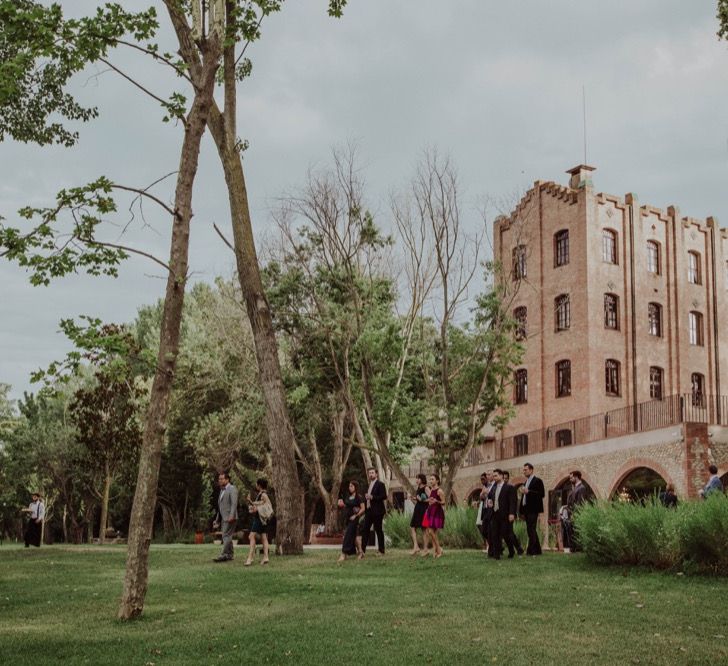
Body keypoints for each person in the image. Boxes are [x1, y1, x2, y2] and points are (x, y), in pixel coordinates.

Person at [487, 469, 518, 560]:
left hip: (505, 515)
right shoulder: (493, 488)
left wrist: (512, 513)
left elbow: (513, 502)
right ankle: (496, 555)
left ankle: (511, 550)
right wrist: (490, 502)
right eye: (493, 476)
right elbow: (490, 498)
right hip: (495, 514)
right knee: (495, 534)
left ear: (501, 476)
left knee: (506, 534)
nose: (494, 477)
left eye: (496, 475)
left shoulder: (509, 487)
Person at [359, 467, 387, 558]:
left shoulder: (380, 484)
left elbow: (384, 496)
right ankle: (362, 550)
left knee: (378, 530)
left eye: (372, 473)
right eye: (369, 473)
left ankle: (381, 550)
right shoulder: (369, 484)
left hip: (378, 511)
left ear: (376, 474)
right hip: (369, 511)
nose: (370, 474)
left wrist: (372, 497)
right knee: (365, 530)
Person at [519, 463, 545, 556]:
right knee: (530, 529)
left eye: (525, 469)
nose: (524, 471)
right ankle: (538, 550)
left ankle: (531, 550)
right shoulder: (525, 482)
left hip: (534, 509)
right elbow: (524, 497)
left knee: (531, 529)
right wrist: (521, 510)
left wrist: (529, 491)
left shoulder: (538, 481)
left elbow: (542, 494)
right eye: (524, 470)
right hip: (526, 509)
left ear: (531, 470)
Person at [246, 478, 272, 566]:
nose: (256, 486)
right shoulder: (263, 494)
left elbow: (264, 506)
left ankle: (250, 558)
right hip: (263, 520)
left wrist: (255, 508)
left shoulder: (263, 494)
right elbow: (259, 504)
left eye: (257, 484)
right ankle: (265, 557)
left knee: (251, 536)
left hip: (259, 519)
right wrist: (250, 501)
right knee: (264, 537)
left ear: (259, 485)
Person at [213, 471, 238, 562]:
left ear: (227, 479)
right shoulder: (222, 490)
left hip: (230, 517)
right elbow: (221, 507)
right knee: (226, 535)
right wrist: (217, 519)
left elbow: (234, 504)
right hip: (223, 518)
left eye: (222, 479)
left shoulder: (232, 488)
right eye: (219, 479)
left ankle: (223, 554)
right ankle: (230, 555)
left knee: (226, 536)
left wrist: (231, 516)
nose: (219, 480)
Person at [338, 481, 365, 562]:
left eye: (351, 486)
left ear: (355, 487)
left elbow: (363, 508)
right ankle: (361, 552)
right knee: (354, 537)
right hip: (347, 519)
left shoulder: (359, 497)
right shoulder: (348, 497)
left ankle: (343, 553)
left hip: (354, 519)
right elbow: (347, 507)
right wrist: (342, 505)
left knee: (347, 535)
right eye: (349, 486)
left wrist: (356, 516)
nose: (350, 487)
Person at [423, 474, 445, 558]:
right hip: (430, 511)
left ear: (437, 481)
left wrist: (437, 501)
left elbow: (443, 502)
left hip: (437, 512)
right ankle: (437, 550)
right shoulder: (431, 490)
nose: (430, 481)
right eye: (430, 479)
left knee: (431, 532)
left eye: (432, 479)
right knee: (432, 532)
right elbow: (430, 500)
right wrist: (424, 500)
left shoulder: (440, 491)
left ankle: (438, 550)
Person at [502, 471, 524, 557]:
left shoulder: (511, 488)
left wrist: (512, 514)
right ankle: (516, 549)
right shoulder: (498, 488)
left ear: (508, 479)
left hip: (509, 515)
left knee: (510, 533)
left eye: (506, 478)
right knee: (506, 533)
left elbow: (513, 502)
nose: (505, 480)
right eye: (503, 478)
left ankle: (517, 549)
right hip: (501, 515)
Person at [566, 471, 587, 552]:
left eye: (571, 478)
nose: (570, 479)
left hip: (576, 514)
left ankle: (577, 549)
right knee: (572, 532)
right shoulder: (574, 488)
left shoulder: (582, 488)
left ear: (576, 477)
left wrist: (575, 514)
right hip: (571, 514)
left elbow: (580, 503)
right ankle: (573, 549)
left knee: (576, 532)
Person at [408, 474, 430, 555]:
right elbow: (419, 500)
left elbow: (431, 499)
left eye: (418, 478)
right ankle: (416, 547)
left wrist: (422, 500)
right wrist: (413, 498)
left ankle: (426, 549)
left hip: (424, 510)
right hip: (417, 509)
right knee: (412, 527)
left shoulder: (426, 488)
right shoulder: (418, 488)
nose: (416, 480)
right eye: (416, 478)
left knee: (424, 529)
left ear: (422, 479)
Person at [476, 472, 494, 554]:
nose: (488, 476)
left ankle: (492, 546)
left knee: (490, 529)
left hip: (491, 510)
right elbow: (482, 497)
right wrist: (483, 494)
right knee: (484, 529)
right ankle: (491, 545)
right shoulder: (485, 486)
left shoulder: (494, 485)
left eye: (488, 475)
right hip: (485, 509)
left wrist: (487, 492)